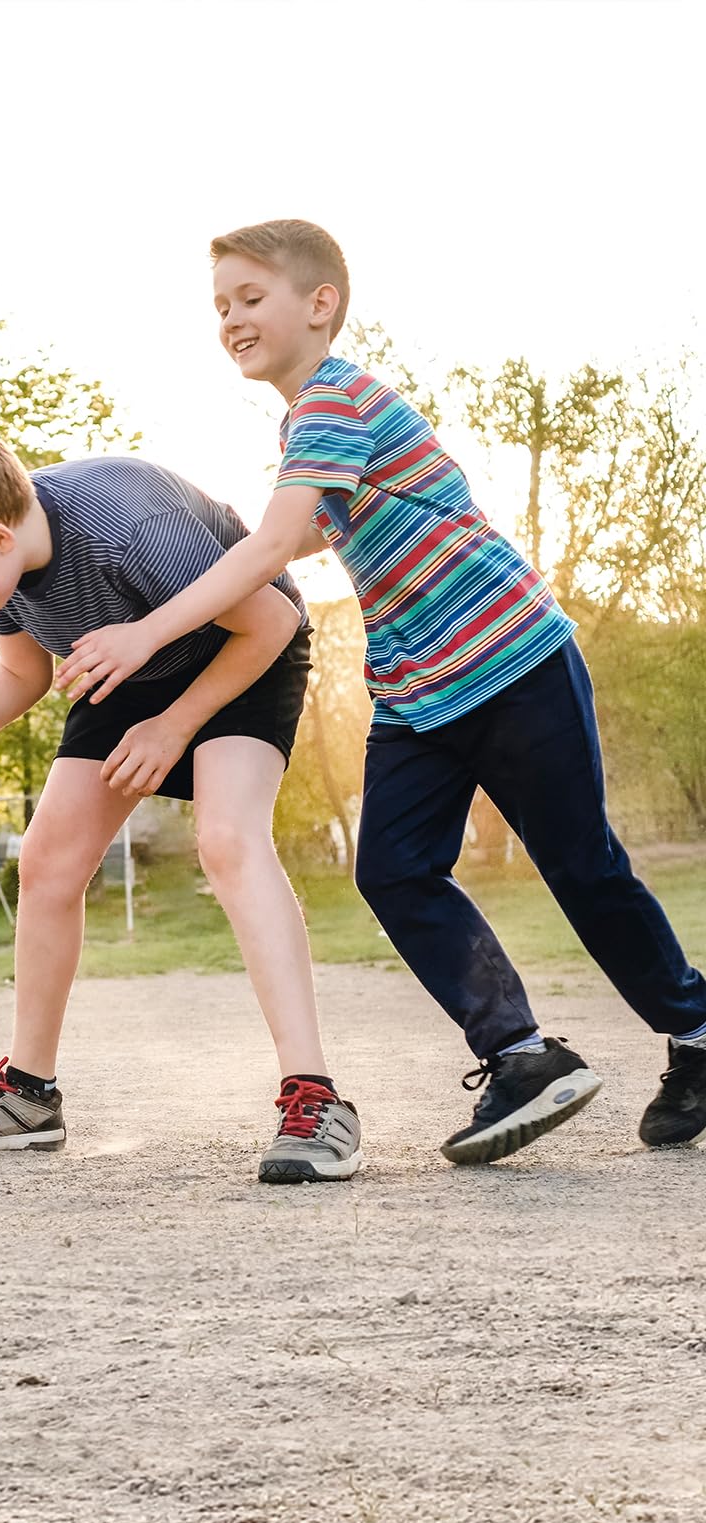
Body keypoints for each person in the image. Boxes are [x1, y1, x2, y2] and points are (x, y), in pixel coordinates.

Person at [57, 219, 706, 1163]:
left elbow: (278, 546)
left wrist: (150, 627)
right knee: (392, 869)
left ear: (320, 305)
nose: (231, 319)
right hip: (413, 684)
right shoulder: (307, 425)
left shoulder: (335, 398)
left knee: (580, 865)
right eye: (220, 307)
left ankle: (695, 1034)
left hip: (506, 655)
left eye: (250, 298)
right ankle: (522, 1056)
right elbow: (309, 529)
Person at [0, 421, 363, 1182]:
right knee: (46, 864)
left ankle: (315, 1097)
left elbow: (272, 619)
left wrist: (174, 726)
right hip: (125, 665)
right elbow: (20, 672)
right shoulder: (1, 562)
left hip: (246, 653)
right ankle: (27, 1098)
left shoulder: (127, 525)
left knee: (227, 842)